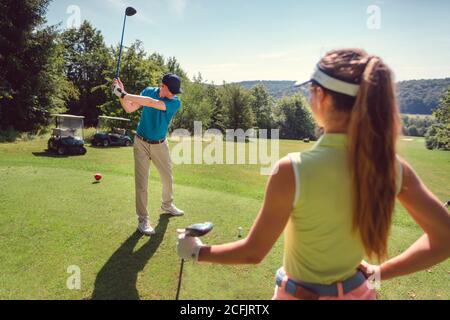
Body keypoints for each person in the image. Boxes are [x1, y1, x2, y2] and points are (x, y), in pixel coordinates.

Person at [177, 49, 450, 300]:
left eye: (311, 90)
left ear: (322, 96)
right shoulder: (391, 166)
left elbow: (253, 252)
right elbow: (445, 238)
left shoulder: (291, 169)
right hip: (361, 293)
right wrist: (379, 273)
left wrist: (196, 251)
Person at [112, 74, 185, 236]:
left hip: (160, 144)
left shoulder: (175, 102)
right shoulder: (148, 91)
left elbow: (152, 103)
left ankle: (167, 205)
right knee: (141, 184)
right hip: (141, 143)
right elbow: (129, 108)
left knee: (167, 177)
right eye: (171, 90)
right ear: (163, 86)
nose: (174, 94)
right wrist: (121, 93)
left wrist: (123, 94)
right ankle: (143, 220)